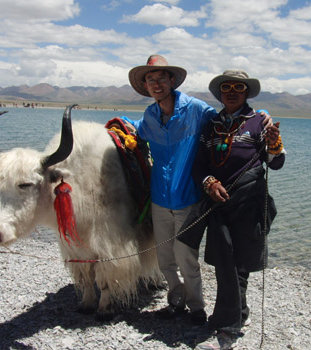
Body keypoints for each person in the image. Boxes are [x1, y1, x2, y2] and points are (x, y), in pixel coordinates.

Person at [180, 69, 286, 349]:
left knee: (241, 262)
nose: (232, 91)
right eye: (227, 87)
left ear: (247, 92)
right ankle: (237, 315)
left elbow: (274, 163)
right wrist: (209, 182)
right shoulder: (212, 125)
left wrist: (274, 144)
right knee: (223, 261)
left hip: (249, 202)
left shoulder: (259, 122)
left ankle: (229, 321)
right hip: (219, 201)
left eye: (239, 87)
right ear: (220, 92)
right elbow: (200, 165)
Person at [122, 54, 217, 326]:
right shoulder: (150, 115)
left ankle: (197, 308)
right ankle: (176, 303)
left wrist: (263, 116)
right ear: (146, 87)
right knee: (165, 259)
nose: (155, 83)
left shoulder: (196, 109)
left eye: (160, 77)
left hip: (188, 198)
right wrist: (117, 124)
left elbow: (228, 120)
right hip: (160, 200)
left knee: (186, 258)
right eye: (150, 79)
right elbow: (138, 131)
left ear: (171, 80)